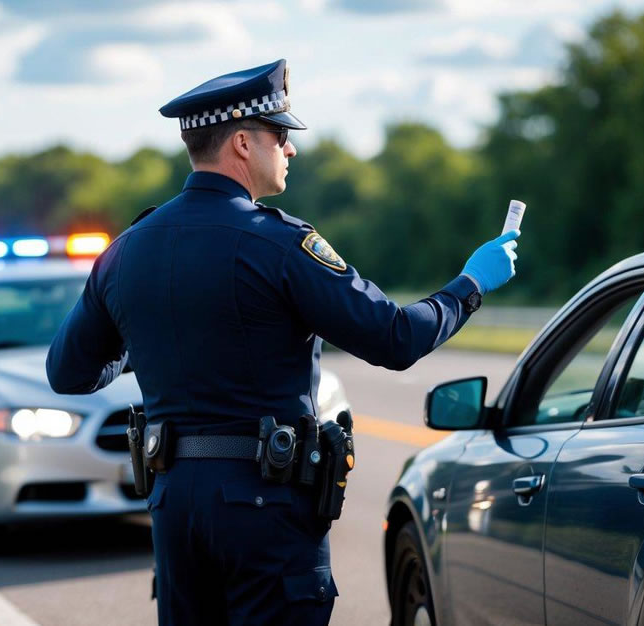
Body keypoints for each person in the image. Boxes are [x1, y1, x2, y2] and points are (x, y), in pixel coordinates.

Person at [46, 59, 519, 625]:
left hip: (175, 507)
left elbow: (68, 372)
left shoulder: (126, 250)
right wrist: (470, 286)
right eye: (281, 135)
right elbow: (395, 339)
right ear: (243, 143)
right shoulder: (278, 244)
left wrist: (151, 337)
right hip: (265, 507)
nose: (290, 149)